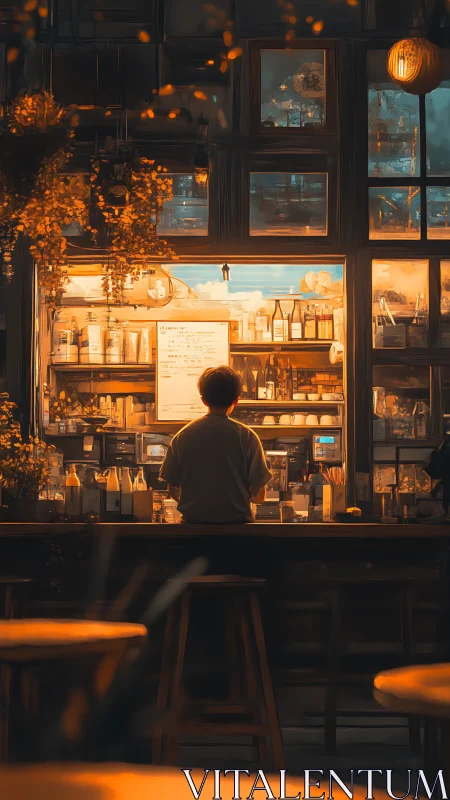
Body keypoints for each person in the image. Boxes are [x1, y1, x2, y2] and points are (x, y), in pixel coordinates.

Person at [159, 365, 272, 524]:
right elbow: (259, 496)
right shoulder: (247, 437)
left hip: (192, 529)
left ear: (204, 400)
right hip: (238, 530)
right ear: (236, 400)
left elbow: (172, 490)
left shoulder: (182, 436)